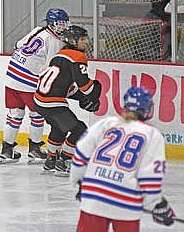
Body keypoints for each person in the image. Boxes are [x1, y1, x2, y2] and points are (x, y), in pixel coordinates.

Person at [70, 86, 175, 232]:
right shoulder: (152, 134)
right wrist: (157, 204)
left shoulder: (106, 123)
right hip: (126, 201)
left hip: (94, 195)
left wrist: (80, 182)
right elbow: (150, 176)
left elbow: (81, 152)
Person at [0, 8, 70, 164]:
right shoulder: (55, 41)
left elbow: (18, 45)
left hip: (11, 76)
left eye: (64, 24)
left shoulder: (37, 30)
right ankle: (34, 150)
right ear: (51, 24)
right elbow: (50, 68)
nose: (63, 27)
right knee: (36, 115)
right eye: (59, 24)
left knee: (14, 115)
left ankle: (6, 150)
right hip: (28, 82)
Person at [33, 25, 101, 176]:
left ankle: (51, 160)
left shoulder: (59, 55)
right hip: (52, 103)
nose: (85, 42)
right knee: (81, 130)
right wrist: (95, 92)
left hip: (39, 101)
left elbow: (63, 86)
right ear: (72, 41)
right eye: (82, 39)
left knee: (59, 128)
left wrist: (81, 98)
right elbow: (86, 87)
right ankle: (63, 160)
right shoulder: (78, 57)